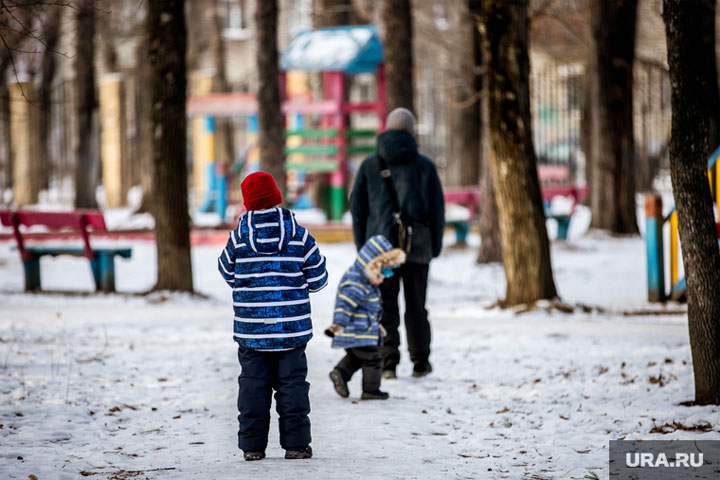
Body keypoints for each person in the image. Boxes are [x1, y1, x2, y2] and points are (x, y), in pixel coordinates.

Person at [218, 171, 328, 462]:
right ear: (277, 197)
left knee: (252, 387)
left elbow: (226, 271)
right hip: (291, 331)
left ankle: (252, 447)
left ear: (248, 204)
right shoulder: (299, 234)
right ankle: (296, 445)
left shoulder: (239, 237)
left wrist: (248, 287)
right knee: (293, 387)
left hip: (252, 332)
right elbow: (318, 277)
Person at [350, 108, 445, 379]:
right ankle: (421, 362)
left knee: (385, 304)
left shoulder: (370, 165)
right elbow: (437, 210)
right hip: (417, 249)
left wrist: (363, 247)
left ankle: (388, 363)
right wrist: (434, 246)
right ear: (412, 131)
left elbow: (358, 210)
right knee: (417, 305)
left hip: (380, 250)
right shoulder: (424, 166)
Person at [325, 235, 406, 400]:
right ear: (372, 266)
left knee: (357, 356)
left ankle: (340, 373)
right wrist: (338, 324)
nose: (384, 277)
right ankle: (371, 390)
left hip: (363, 329)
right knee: (374, 359)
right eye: (381, 272)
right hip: (357, 330)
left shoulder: (365, 280)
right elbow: (344, 303)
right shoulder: (355, 281)